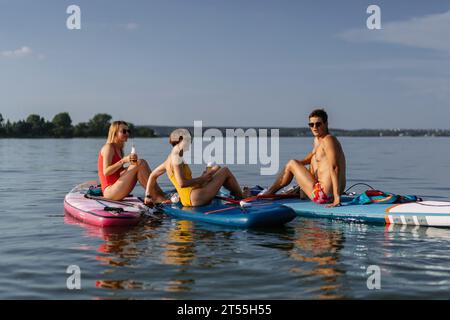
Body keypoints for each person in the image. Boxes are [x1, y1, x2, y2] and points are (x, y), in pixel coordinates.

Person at [144, 128, 248, 207]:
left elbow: (153, 175)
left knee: (217, 171)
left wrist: (147, 196)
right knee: (225, 171)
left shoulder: (170, 158)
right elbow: (182, 183)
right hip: (194, 198)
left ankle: (238, 194)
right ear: (180, 140)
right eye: (189, 139)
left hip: (187, 198)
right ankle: (241, 197)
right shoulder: (176, 158)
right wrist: (202, 179)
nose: (191, 142)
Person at [266, 109, 346, 207]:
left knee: (292, 162)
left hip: (324, 195)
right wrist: (296, 167)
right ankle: (300, 191)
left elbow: (335, 167)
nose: (314, 127)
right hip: (326, 193)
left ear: (326, 123)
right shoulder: (318, 140)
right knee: (307, 161)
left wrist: (337, 198)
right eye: (311, 125)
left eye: (318, 124)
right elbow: (312, 155)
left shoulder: (329, 140)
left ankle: (268, 194)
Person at [97, 121, 166, 202]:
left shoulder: (118, 149)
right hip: (110, 192)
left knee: (141, 163)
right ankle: (156, 197)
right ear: (114, 133)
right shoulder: (108, 147)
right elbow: (106, 172)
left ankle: (159, 195)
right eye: (124, 131)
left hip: (117, 187)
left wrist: (131, 168)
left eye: (128, 131)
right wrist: (124, 161)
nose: (127, 133)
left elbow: (118, 173)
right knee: (140, 163)